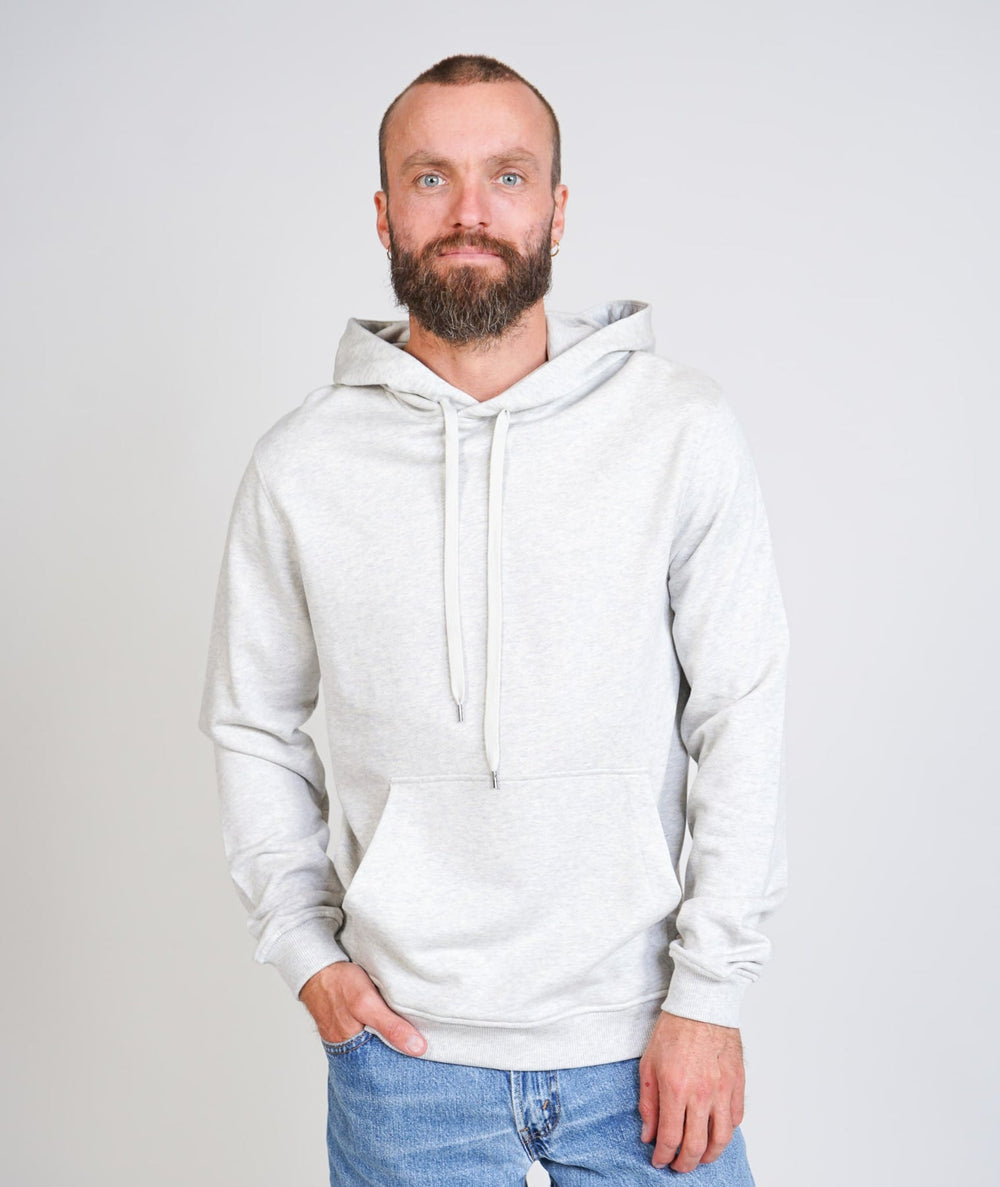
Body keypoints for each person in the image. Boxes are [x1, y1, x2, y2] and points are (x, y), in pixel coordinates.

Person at [198, 53, 790, 1186]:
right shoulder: (302, 465)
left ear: (556, 210)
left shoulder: (679, 430)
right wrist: (306, 954)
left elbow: (740, 711)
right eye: (432, 178)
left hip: (646, 1047)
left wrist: (711, 997)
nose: (470, 211)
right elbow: (250, 723)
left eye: (506, 176)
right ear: (384, 212)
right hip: (405, 1062)